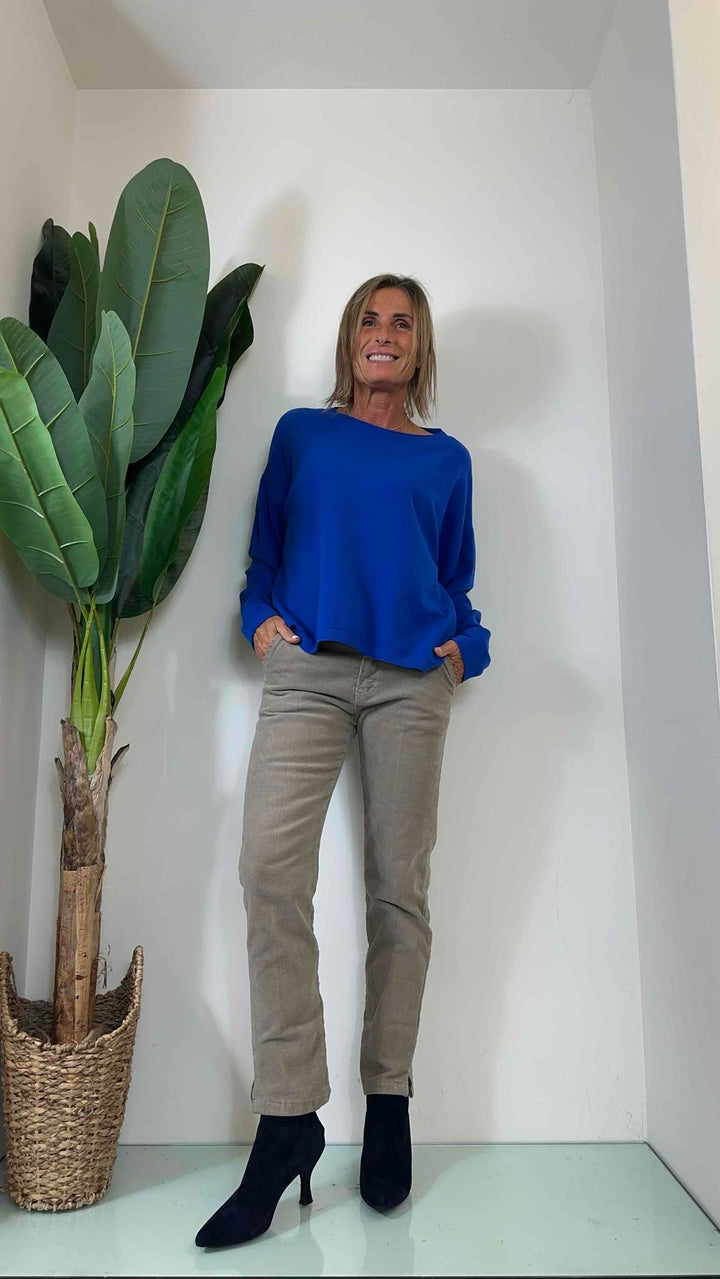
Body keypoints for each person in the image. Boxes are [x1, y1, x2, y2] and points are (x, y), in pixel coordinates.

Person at [195, 274, 492, 1249]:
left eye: (403, 322)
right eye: (370, 317)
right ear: (349, 338)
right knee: (268, 871)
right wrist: (260, 620)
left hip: (412, 682)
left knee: (399, 890)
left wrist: (465, 648)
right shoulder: (303, 436)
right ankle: (288, 1117)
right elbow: (265, 554)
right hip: (309, 670)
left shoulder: (445, 460)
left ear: (420, 347)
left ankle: (389, 1097)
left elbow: (456, 580)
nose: (384, 332)